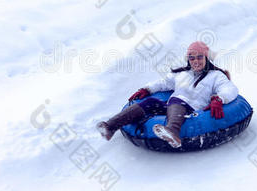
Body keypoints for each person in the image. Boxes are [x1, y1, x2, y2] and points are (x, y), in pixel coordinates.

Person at [96, 41, 239, 148]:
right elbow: (163, 83)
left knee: (177, 101)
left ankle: (173, 132)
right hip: (173, 106)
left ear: (207, 58)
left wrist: (219, 99)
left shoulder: (215, 76)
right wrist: (147, 89)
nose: (195, 61)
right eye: (192, 58)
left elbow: (229, 89)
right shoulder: (182, 73)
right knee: (150, 102)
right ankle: (110, 127)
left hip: (192, 109)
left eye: (199, 57)